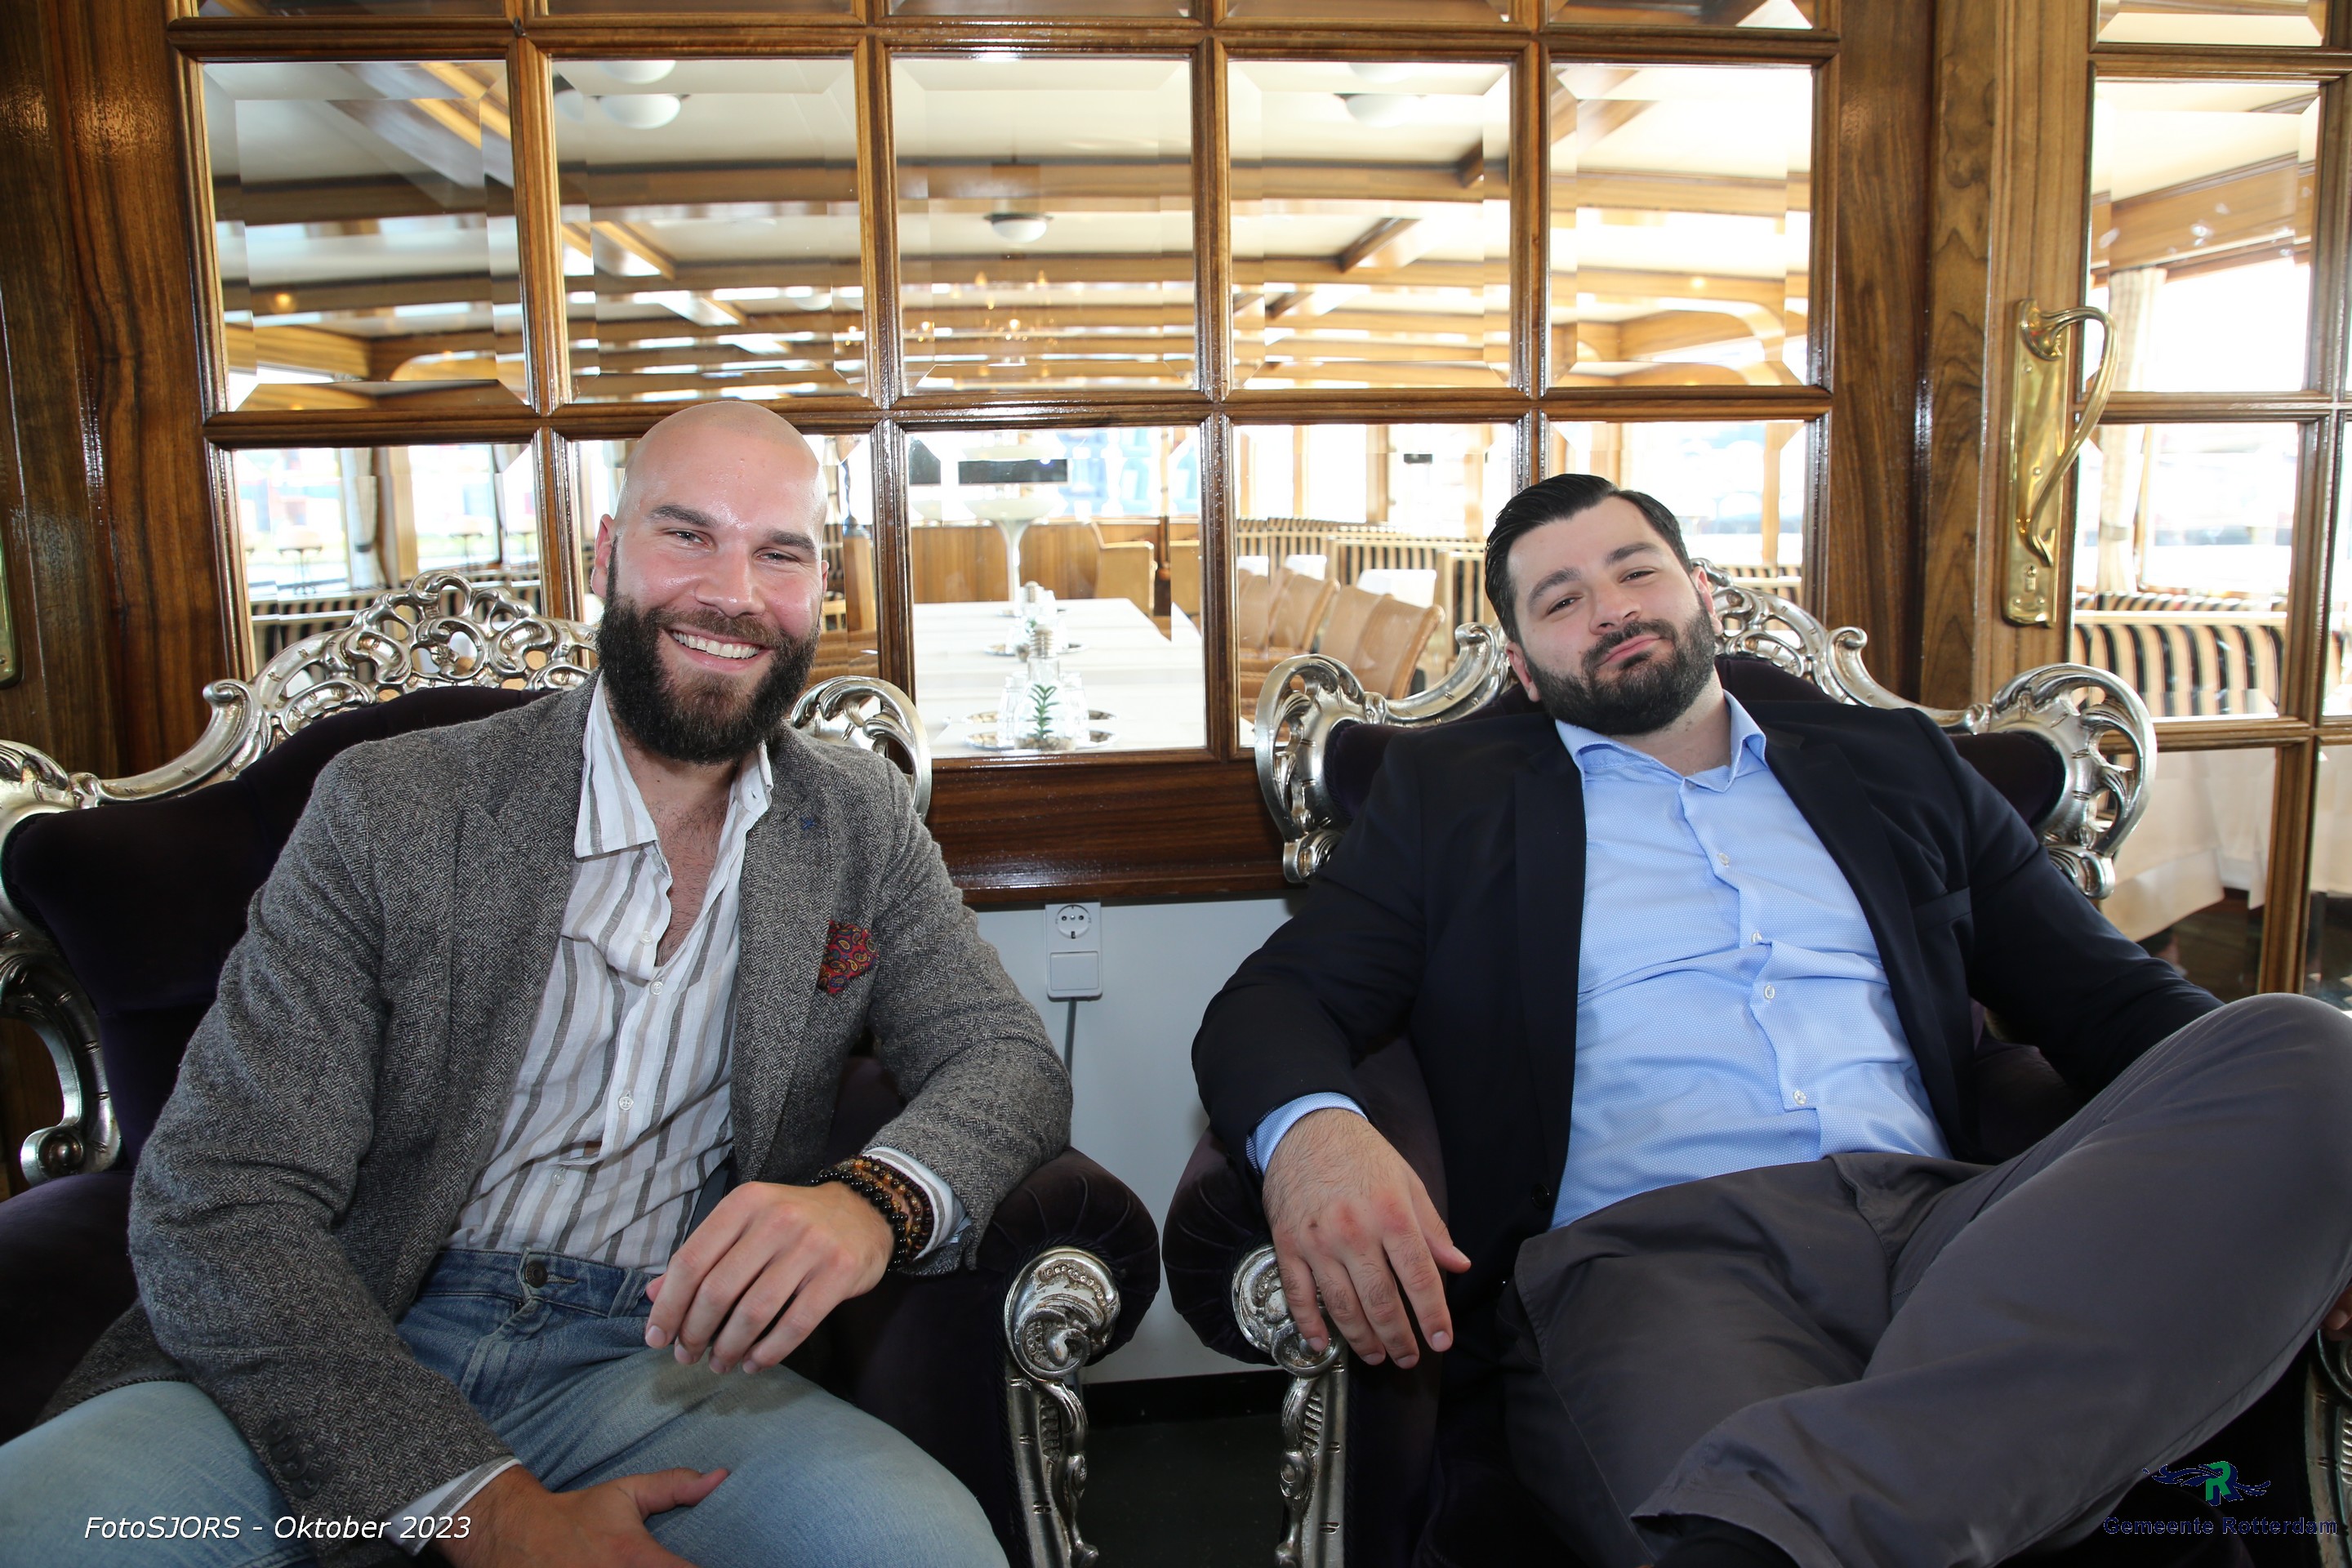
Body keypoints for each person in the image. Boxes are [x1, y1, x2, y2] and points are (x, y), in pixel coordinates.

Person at [1193, 471, 2352, 1568]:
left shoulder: (1897, 765)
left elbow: (2115, 1001)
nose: (1612, 609)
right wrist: (1316, 1138)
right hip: (1659, 1261)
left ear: (1703, 594)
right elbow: (1277, 999)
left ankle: (1773, 1524)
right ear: (1526, 669)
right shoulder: (1451, 799)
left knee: (2308, 1045)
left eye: (1636, 571)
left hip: (1957, 1225)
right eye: (1562, 600)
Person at [0, 401, 1065, 1568]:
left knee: (924, 1548)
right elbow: (218, 1196)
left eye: (781, 553)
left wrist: (876, 1197)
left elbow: (1004, 1056)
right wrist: (485, 1509)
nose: (734, 594)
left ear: (822, 589)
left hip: (659, 1361)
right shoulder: (394, 808)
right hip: (339, 1337)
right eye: (688, 536)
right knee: (45, 1535)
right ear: (606, 555)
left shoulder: (856, 818)